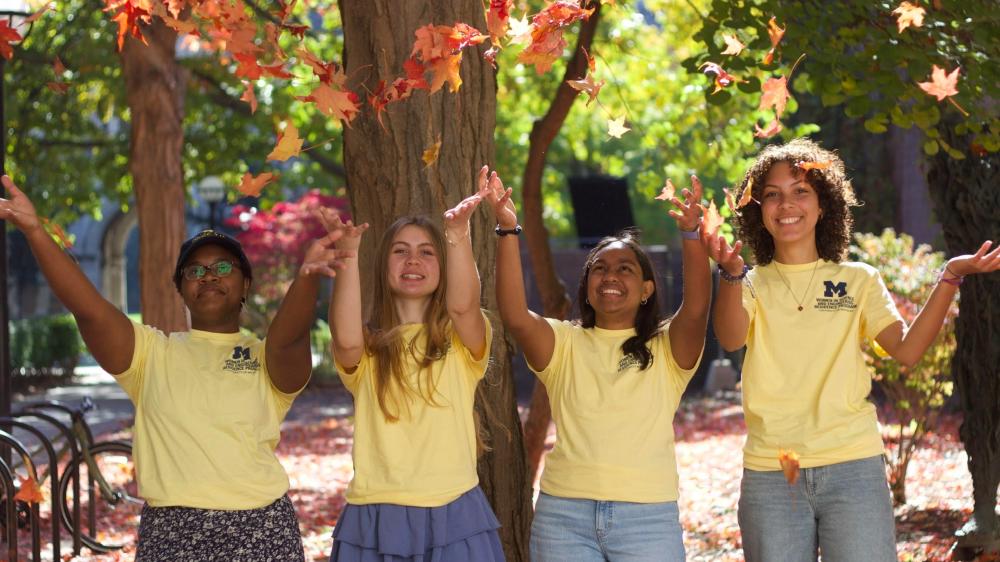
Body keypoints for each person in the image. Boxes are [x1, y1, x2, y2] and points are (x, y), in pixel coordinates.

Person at [0, 175, 351, 560]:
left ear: (245, 283)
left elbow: (289, 338)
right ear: (180, 289)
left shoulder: (265, 357)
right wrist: (34, 231)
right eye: (195, 271)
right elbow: (89, 309)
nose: (209, 276)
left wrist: (307, 279)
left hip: (261, 528)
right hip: (171, 531)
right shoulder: (151, 354)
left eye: (223, 267)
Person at [706, 138, 1000, 562]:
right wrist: (732, 274)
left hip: (853, 465)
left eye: (800, 191)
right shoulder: (749, 282)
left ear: (823, 204)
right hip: (772, 471)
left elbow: (907, 350)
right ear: (759, 211)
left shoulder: (858, 279)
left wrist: (950, 275)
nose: (786, 203)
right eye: (773, 194)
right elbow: (731, 338)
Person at [488, 170, 711, 561]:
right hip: (564, 517)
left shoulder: (667, 348)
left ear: (646, 290)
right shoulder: (563, 342)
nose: (610, 276)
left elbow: (695, 310)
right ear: (587, 285)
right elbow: (516, 316)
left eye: (625, 268)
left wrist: (692, 235)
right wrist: (508, 230)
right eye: (600, 268)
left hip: (648, 518)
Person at [324, 166, 505, 561]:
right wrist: (349, 254)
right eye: (400, 250)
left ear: (442, 268)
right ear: (385, 264)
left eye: (426, 252)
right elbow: (346, 338)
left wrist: (457, 235)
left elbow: (463, 305)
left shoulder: (462, 342)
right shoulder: (368, 349)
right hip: (374, 514)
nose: (413, 260)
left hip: (455, 512)